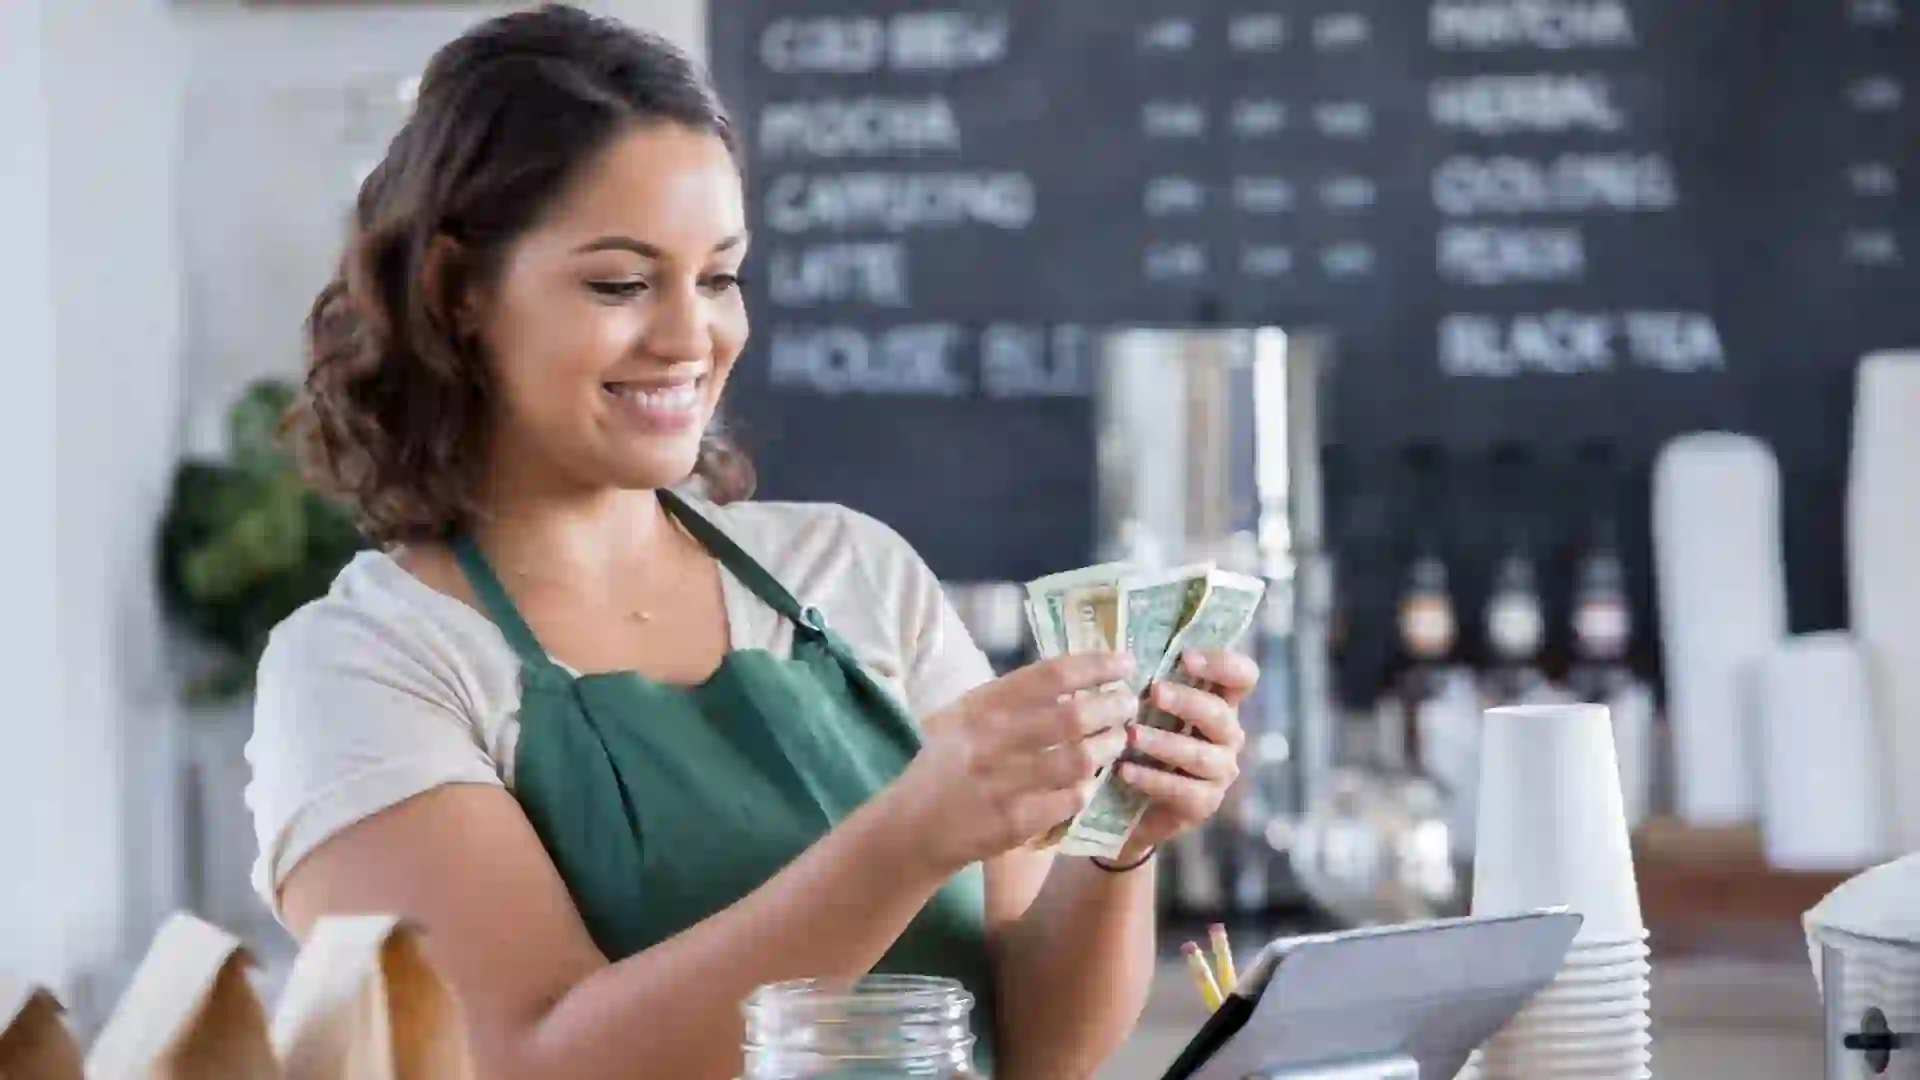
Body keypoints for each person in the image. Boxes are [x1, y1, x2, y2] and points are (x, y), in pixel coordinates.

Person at [247, 7, 1259, 1079]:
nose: (693, 336)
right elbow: (531, 1060)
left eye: (720, 276)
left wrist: (1116, 840)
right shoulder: (369, 667)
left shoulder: (851, 573)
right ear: (458, 293)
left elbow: (1036, 1045)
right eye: (622, 283)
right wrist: (907, 835)